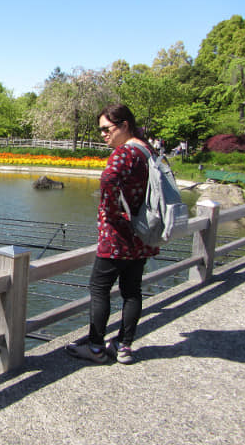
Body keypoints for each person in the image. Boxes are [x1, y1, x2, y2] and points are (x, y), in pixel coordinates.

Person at [66, 104, 159, 365]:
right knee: (132, 291)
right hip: (143, 233)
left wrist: (110, 212)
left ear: (125, 125)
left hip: (117, 236)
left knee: (99, 289)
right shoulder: (146, 149)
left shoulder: (123, 152)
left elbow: (108, 179)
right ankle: (123, 346)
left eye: (107, 129)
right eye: (101, 130)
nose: (103, 135)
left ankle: (95, 347)